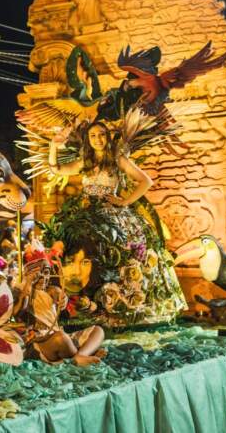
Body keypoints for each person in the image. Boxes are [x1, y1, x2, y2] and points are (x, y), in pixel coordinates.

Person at [44, 118, 187, 326]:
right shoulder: (86, 161)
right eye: (93, 136)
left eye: (101, 135)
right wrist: (53, 146)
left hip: (112, 215)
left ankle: (119, 307)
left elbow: (146, 181)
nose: (97, 139)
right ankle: (81, 305)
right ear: (88, 140)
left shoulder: (118, 159)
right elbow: (56, 169)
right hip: (85, 213)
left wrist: (125, 201)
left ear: (108, 137)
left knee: (120, 253)